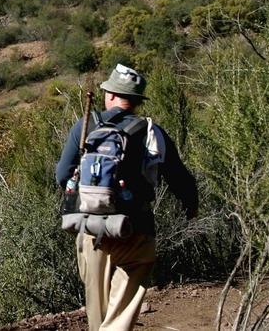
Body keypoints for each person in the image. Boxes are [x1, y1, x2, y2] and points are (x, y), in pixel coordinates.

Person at [55, 64, 199, 331]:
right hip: (136, 227)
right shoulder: (152, 131)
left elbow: (63, 174)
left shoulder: (85, 126)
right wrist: (190, 204)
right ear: (136, 100)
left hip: (91, 228)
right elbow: (179, 176)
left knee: (97, 306)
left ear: (110, 94)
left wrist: (92, 197)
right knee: (123, 306)